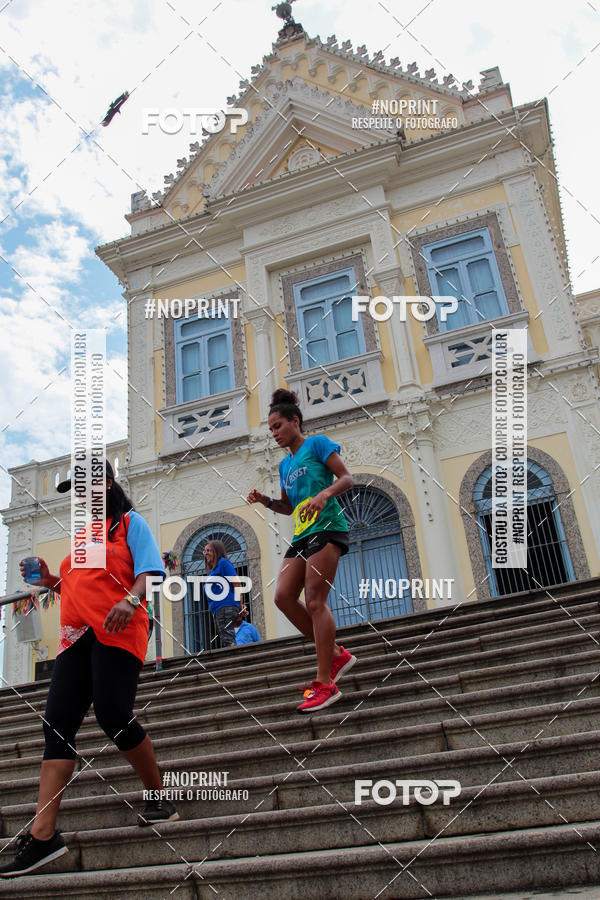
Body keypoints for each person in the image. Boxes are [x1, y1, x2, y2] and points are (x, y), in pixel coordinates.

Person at [0, 460, 176, 881]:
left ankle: (158, 796)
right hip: (76, 637)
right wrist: (49, 580)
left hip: (118, 629)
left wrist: (130, 600)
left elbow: (151, 573)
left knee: (113, 715)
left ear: (107, 484)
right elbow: (77, 588)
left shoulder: (130, 524)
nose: (82, 497)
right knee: (56, 725)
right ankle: (43, 836)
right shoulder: (83, 538)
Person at [247, 388, 357, 713]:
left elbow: (347, 478)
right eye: (271, 429)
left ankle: (326, 683)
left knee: (314, 600)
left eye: (278, 426)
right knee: (282, 596)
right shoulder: (285, 465)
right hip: (302, 533)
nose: (274, 433)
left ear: (295, 421)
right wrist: (265, 500)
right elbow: (288, 506)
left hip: (328, 526)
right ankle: (335, 654)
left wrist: (323, 495)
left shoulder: (317, 444)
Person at [204, 540, 240, 648]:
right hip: (219, 610)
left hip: (225, 607)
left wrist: (240, 605)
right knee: (227, 639)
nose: (206, 553)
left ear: (217, 551)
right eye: (205, 551)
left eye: (209, 550)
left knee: (228, 640)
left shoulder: (223, 563)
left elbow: (237, 584)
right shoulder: (214, 570)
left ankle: (235, 658)